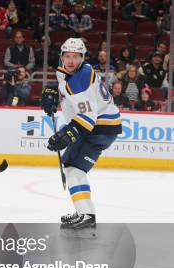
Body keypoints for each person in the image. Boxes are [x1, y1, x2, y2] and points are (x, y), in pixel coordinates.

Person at [41, 38, 122, 232]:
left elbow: (88, 115)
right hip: (101, 126)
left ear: (82, 57)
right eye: (67, 56)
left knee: (74, 169)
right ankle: (85, 213)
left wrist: (67, 134)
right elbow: (66, 86)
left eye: (75, 57)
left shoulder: (79, 80)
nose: (70, 61)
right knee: (72, 167)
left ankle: (86, 215)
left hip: (99, 127)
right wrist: (55, 90)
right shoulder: (76, 72)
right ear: (62, 57)